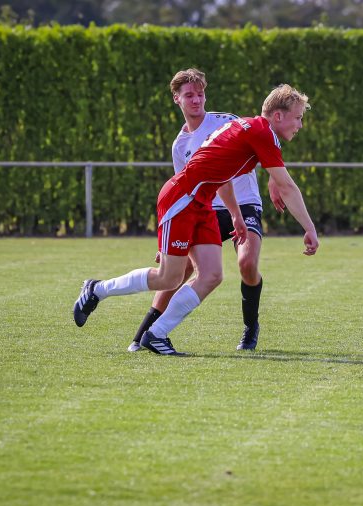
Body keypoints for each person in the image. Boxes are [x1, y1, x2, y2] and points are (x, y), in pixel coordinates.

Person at [73, 84, 319, 356]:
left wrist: (236, 215)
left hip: (201, 203)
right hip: (183, 198)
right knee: (170, 277)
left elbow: (222, 175)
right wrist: (309, 228)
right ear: (278, 116)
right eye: (298, 117)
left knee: (212, 275)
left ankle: (156, 334)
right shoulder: (261, 132)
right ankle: (98, 289)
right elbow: (287, 186)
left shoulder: (247, 128)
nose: (300, 124)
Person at [126, 68, 283, 353]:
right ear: (177, 99)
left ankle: (250, 328)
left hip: (244, 203)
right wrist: (166, 242)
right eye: (189, 95)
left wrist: (273, 177)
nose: (196, 100)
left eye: (200, 94)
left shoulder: (226, 122)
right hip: (205, 209)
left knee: (247, 264)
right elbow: (181, 191)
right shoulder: (180, 144)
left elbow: (266, 143)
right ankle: (144, 334)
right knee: (177, 270)